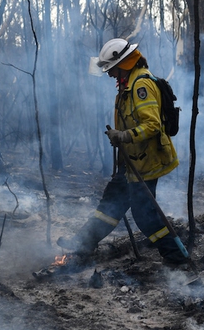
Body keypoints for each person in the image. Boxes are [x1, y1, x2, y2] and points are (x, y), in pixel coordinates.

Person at [57, 38, 188, 265]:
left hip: (146, 163)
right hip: (132, 162)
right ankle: (83, 244)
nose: (109, 75)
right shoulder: (129, 83)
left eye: (111, 69)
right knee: (110, 204)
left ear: (123, 64)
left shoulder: (140, 86)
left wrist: (124, 136)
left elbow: (153, 125)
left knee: (145, 216)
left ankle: (177, 258)